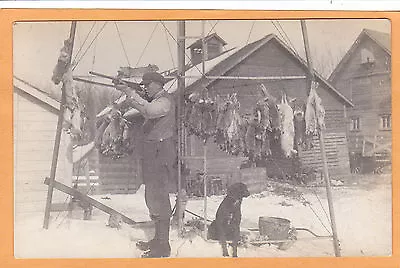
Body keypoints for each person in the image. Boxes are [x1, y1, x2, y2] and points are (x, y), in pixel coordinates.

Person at [115, 71, 176, 258]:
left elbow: (149, 110)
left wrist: (130, 91)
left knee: (159, 197)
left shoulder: (165, 101)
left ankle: (163, 246)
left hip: (160, 153)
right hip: (152, 154)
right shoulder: (155, 100)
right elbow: (143, 109)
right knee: (152, 197)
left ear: (159, 84)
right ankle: (158, 240)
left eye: (148, 84)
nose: (146, 87)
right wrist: (128, 94)